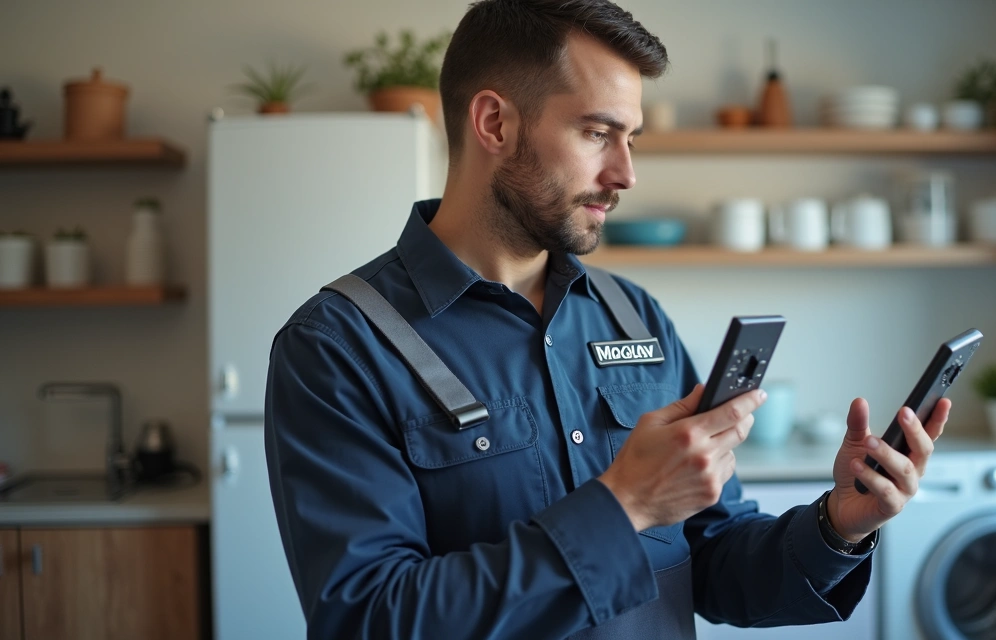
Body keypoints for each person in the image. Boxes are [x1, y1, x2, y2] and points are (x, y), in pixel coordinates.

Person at [264, 0, 951, 638]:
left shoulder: (634, 317)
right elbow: (367, 618)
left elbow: (710, 556)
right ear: (494, 124)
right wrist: (621, 506)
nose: (625, 174)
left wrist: (838, 527)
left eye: (632, 139)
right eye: (597, 133)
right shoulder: (334, 347)